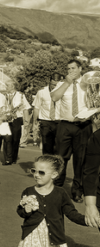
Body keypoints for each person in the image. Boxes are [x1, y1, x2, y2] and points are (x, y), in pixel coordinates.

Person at [51, 58, 90, 201]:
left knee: (81, 160)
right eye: (68, 69)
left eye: (73, 68)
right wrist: (67, 82)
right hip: (65, 126)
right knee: (60, 158)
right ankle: (57, 189)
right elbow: (54, 97)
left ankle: (77, 191)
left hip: (83, 126)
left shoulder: (88, 85)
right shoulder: (62, 84)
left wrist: (90, 116)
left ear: (80, 69)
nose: (71, 71)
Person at [2, 86, 32, 166]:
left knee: (15, 139)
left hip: (17, 119)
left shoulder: (20, 95)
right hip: (6, 118)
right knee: (7, 139)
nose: (7, 87)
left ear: (13, 86)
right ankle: (8, 159)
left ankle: (14, 158)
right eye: (6, 84)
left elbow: (26, 108)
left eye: (9, 85)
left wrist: (26, 120)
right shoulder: (3, 95)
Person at [31, 74, 60, 155]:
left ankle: (55, 164)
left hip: (59, 122)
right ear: (49, 82)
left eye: (57, 85)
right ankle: (46, 163)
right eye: (53, 84)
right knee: (47, 145)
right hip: (45, 122)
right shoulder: (41, 92)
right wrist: (35, 123)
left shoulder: (62, 92)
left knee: (57, 146)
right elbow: (36, 107)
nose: (54, 87)